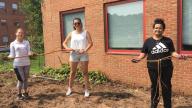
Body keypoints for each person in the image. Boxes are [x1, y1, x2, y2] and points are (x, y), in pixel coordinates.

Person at [132, 18, 187, 108]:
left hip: (167, 68)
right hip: (152, 68)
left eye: (160, 28)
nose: (158, 29)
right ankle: (153, 105)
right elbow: (143, 54)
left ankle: (167, 106)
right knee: (155, 86)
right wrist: (138, 59)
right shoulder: (148, 41)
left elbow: (172, 53)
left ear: (163, 29)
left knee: (166, 87)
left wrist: (179, 56)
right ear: (153, 29)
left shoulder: (168, 41)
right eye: (156, 28)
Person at [63, 18, 93, 97]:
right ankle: (69, 88)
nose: (77, 25)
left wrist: (85, 50)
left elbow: (90, 43)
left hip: (83, 54)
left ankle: (86, 90)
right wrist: (68, 48)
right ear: (73, 25)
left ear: (81, 23)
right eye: (75, 23)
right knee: (72, 72)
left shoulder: (86, 32)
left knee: (85, 73)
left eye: (78, 23)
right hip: (73, 54)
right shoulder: (71, 33)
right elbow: (64, 43)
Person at [7, 28, 34, 100]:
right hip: (17, 65)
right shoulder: (13, 44)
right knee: (21, 79)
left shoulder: (26, 42)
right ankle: (19, 94)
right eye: (19, 32)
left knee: (25, 79)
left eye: (22, 33)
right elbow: (12, 55)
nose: (20, 34)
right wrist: (8, 57)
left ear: (23, 34)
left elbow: (28, 52)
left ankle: (25, 93)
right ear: (16, 34)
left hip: (27, 63)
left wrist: (31, 53)